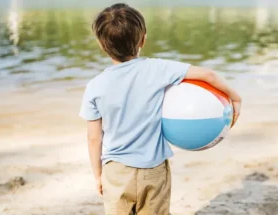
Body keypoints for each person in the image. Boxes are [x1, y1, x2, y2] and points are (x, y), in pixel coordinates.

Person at [79, 3, 242, 215]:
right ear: (143, 39)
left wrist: (98, 175)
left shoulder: (95, 86)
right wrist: (235, 98)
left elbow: (94, 138)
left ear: (102, 45)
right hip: (153, 169)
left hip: (116, 171)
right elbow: (209, 76)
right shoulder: (157, 69)